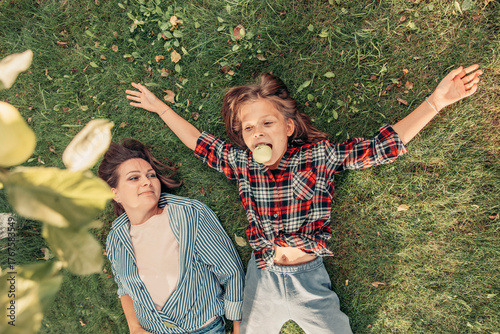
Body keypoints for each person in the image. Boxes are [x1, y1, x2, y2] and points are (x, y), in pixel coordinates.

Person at [125, 64, 482, 333]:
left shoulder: (318, 156)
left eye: (267, 123)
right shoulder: (242, 163)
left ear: (289, 127)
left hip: (309, 279)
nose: (257, 133)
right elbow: (200, 143)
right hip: (261, 275)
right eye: (248, 128)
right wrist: (161, 109)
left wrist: (436, 102)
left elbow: (380, 148)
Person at [98, 138, 245, 334]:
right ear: (115, 193)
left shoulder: (190, 215)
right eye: (134, 178)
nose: (146, 182)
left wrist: (239, 329)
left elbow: (231, 272)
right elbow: (124, 289)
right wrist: (134, 328)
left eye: (151, 175)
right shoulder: (116, 239)